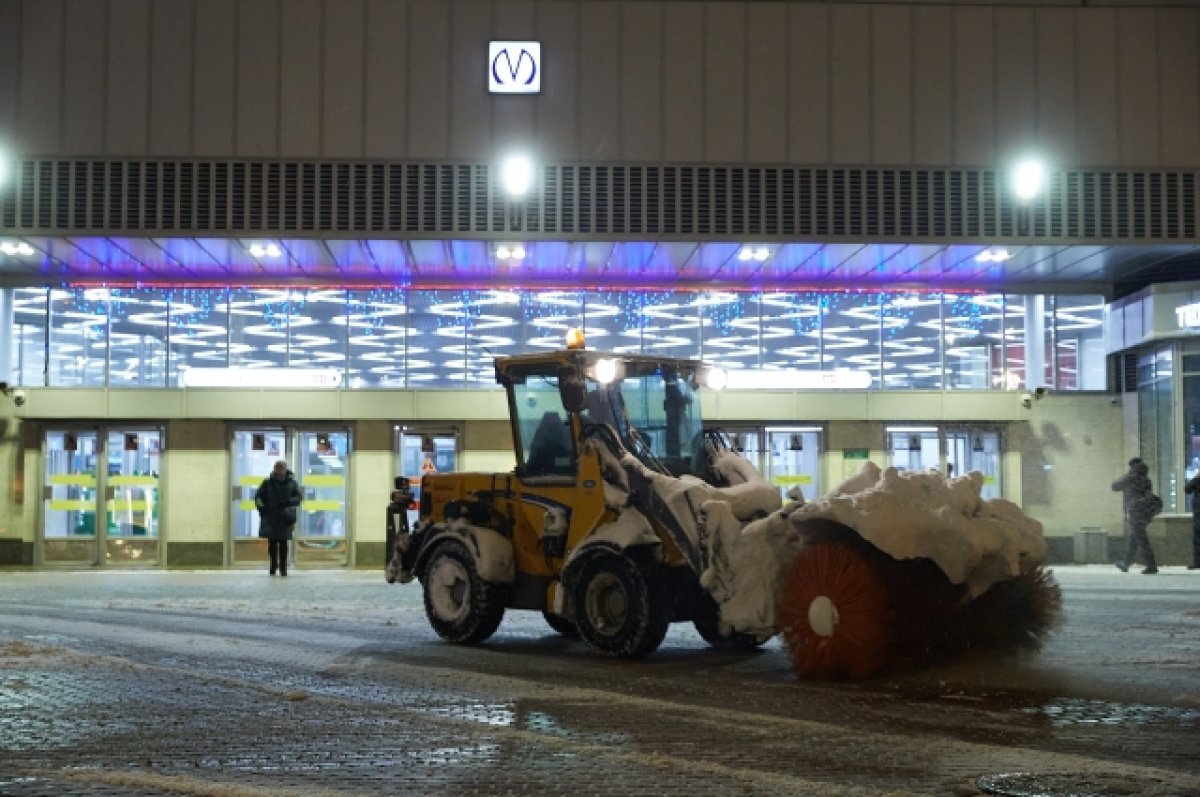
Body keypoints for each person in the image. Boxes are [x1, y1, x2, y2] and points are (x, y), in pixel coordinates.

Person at [254, 460, 302, 576]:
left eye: (281, 468)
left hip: (285, 517)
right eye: (277, 468)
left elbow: (298, 498)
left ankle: (283, 567)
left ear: (285, 469)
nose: (279, 470)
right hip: (271, 517)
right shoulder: (267, 483)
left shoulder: (292, 483)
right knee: (272, 544)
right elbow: (258, 497)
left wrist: (287, 502)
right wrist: (262, 507)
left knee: (284, 544)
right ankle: (273, 565)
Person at [1111, 457, 1158, 575]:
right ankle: (1125, 563)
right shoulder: (1146, 478)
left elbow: (1115, 486)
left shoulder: (1131, 477)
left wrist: (1128, 475)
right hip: (1145, 512)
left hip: (1135, 510)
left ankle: (1151, 565)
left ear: (1132, 466)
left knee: (1141, 538)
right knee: (1135, 537)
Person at [1185, 470, 1200, 570]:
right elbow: (1187, 489)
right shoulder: (1197, 481)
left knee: (1197, 538)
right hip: (1198, 513)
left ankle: (1197, 562)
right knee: (1197, 539)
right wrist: (1196, 479)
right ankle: (1197, 562)